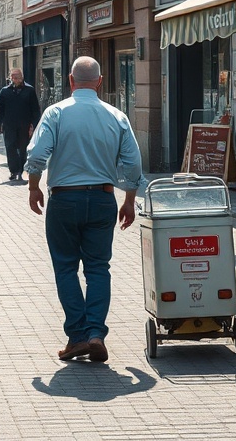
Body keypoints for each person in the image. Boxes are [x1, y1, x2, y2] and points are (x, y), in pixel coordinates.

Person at [25, 56, 146, 364]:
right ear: (100, 82)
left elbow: (38, 153)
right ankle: (95, 334)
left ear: (70, 80)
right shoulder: (116, 116)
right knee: (97, 268)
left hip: (64, 200)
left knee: (66, 267)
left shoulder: (55, 113)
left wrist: (33, 185)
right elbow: (132, 162)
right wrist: (129, 199)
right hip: (104, 199)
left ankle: (77, 336)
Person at [0, 68, 40, 181]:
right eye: (13, 77)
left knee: (23, 148)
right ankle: (13, 171)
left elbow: (35, 110)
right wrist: (0, 123)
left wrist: (33, 125)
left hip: (24, 125)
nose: (15, 80)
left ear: (22, 77)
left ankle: (21, 170)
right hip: (9, 125)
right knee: (10, 147)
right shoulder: (5, 91)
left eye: (17, 77)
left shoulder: (29, 90)